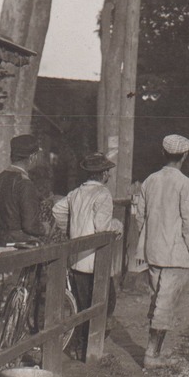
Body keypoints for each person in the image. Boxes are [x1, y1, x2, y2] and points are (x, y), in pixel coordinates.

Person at [133, 134, 189, 369]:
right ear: (184, 156)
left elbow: (140, 216)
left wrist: (149, 237)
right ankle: (152, 355)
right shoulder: (185, 183)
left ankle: (155, 350)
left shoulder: (150, 181)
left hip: (153, 251)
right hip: (175, 253)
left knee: (157, 299)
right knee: (165, 304)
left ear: (164, 154)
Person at [52, 152, 122, 359]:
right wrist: (117, 227)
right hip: (95, 260)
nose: (108, 174)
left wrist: (70, 230)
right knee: (105, 301)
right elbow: (102, 227)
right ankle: (89, 348)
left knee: (82, 304)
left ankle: (80, 345)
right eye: (107, 171)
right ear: (103, 174)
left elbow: (57, 210)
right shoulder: (102, 195)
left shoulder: (76, 193)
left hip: (77, 259)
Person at [0, 133, 46, 245]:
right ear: (32, 157)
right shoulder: (25, 183)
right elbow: (30, 226)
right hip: (19, 248)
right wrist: (44, 228)